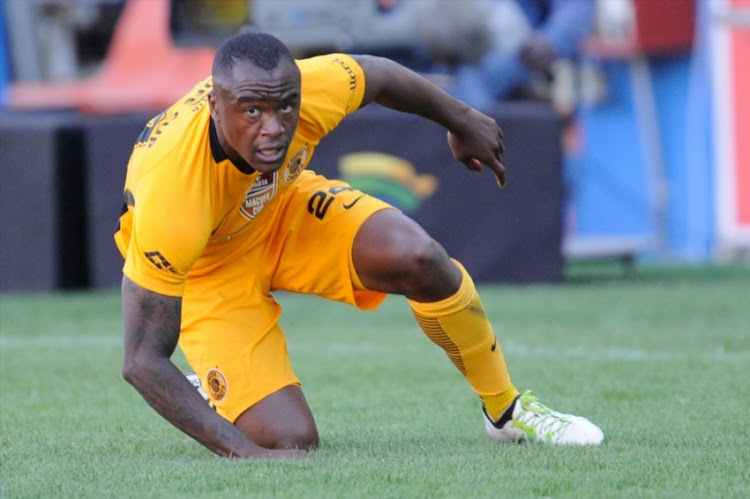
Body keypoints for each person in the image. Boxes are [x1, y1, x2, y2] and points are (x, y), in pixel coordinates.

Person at [116, 30, 603, 459]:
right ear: (214, 106)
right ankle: (222, 389)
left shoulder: (309, 89)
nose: (273, 127)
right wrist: (245, 453)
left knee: (422, 259)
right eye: (252, 111)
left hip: (281, 209)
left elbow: (380, 75)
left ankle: (506, 411)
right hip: (210, 267)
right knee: (289, 441)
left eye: (285, 106)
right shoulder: (173, 196)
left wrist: (461, 119)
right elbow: (142, 361)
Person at [433, 0, 595, 108]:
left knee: (472, 83)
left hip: (512, 55)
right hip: (436, 53)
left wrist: (551, 42)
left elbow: (574, 9)